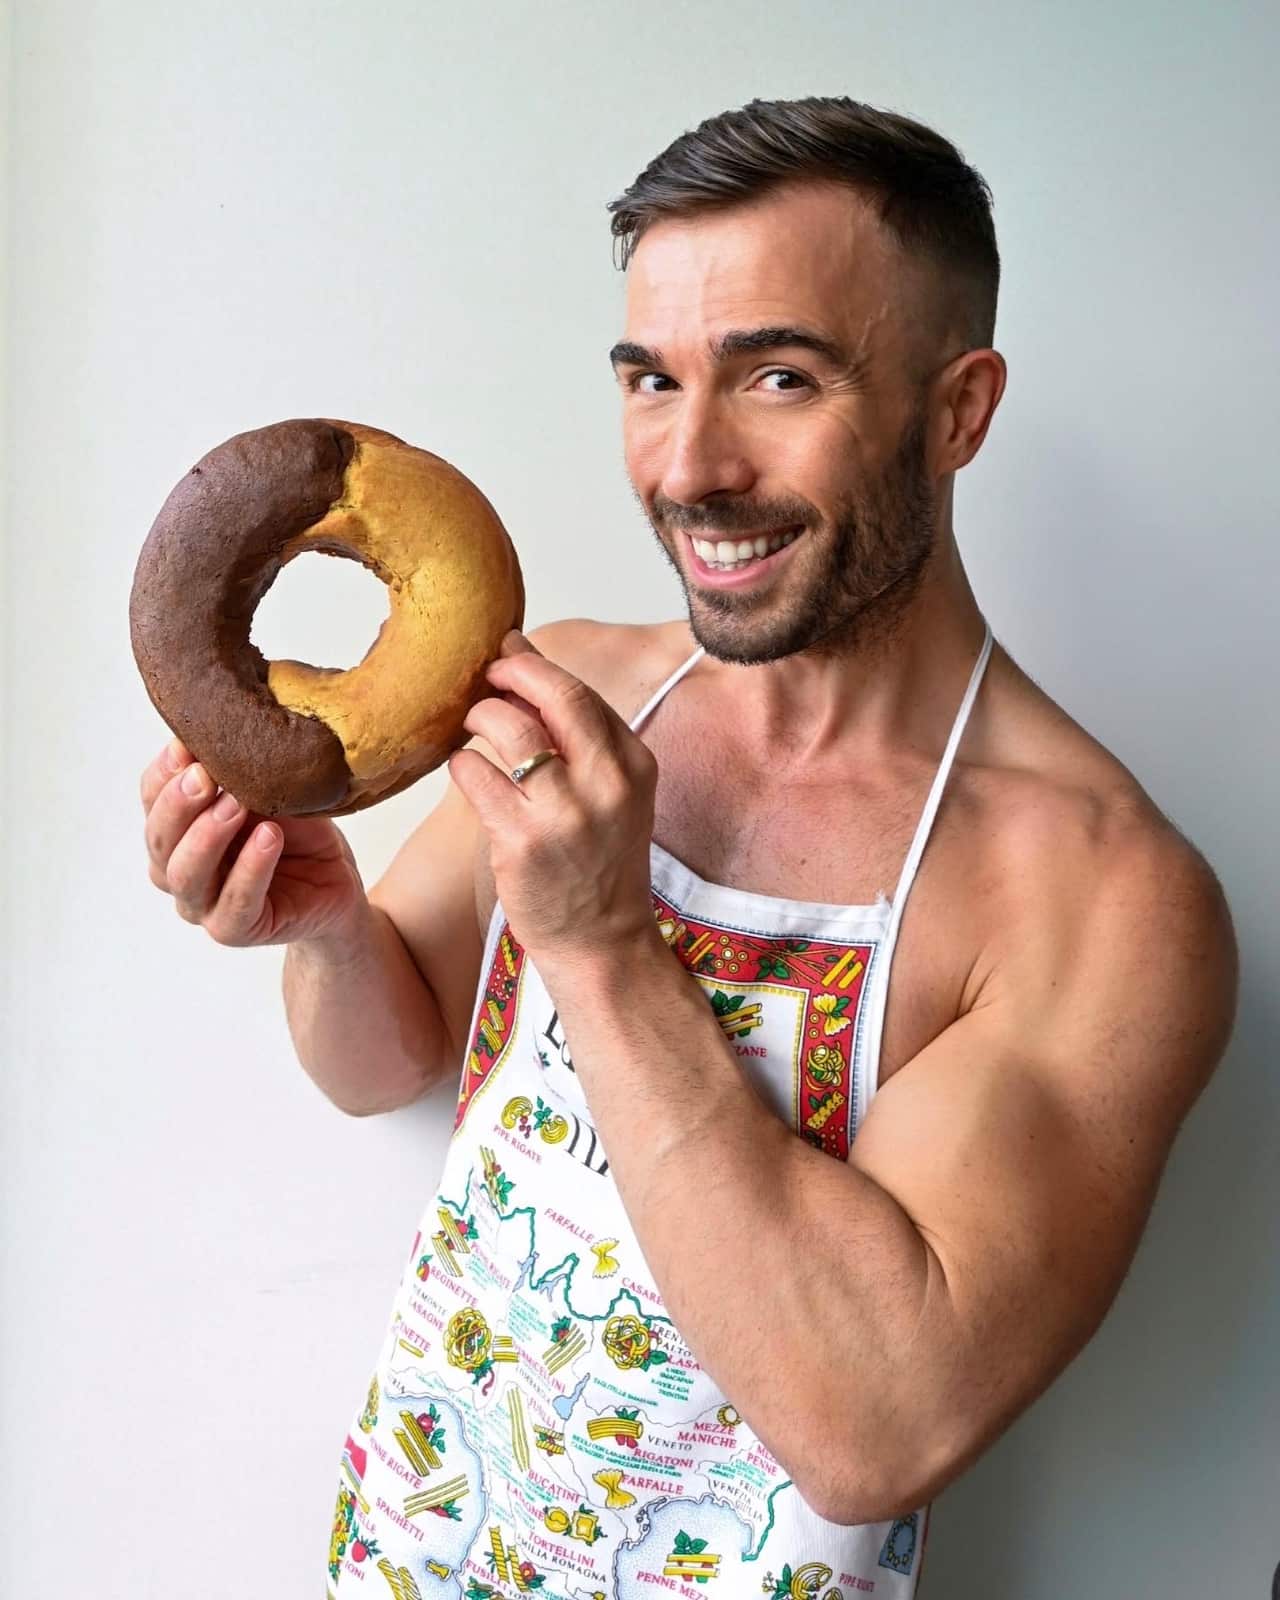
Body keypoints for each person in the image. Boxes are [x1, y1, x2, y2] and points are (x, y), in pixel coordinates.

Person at [139, 96, 1238, 1599]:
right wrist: (329, 930)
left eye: (779, 375)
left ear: (959, 409)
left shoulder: (1104, 900)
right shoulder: (578, 686)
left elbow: (875, 1421)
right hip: (407, 1552)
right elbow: (384, 1066)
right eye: (650, 378)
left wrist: (599, 946)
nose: (690, 464)